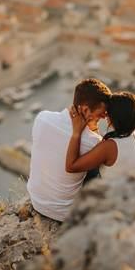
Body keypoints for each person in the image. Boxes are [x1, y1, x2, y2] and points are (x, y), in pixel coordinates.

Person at [26, 78, 111, 222]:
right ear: (84, 109)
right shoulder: (93, 142)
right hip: (64, 214)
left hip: (37, 202)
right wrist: (93, 130)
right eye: (101, 113)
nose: (104, 116)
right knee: (97, 167)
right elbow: (102, 150)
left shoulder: (42, 118)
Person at [66, 91, 135, 180]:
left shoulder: (110, 146)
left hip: (116, 193)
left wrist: (76, 132)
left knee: (89, 173)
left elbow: (71, 167)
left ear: (115, 117)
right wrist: (94, 129)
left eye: (107, 113)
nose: (105, 116)